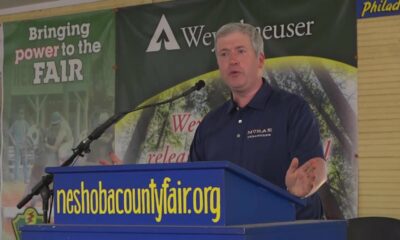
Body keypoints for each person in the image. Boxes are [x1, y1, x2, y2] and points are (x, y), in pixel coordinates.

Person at [188, 22, 327, 220]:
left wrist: (302, 189)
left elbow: (317, 168)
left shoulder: (293, 109)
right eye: (224, 54)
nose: (232, 60)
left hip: (289, 231)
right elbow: (193, 186)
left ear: (260, 60)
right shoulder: (210, 125)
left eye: (240, 51)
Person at [8, 108, 30, 182]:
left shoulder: (25, 123)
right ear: (18, 114)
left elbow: (29, 132)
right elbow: (9, 132)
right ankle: (16, 179)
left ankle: (26, 179)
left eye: (22, 113)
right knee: (17, 161)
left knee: (25, 162)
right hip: (17, 145)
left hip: (24, 145)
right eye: (20, 113)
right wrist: (13, 141)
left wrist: (26, 140)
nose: (21, 115)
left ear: (24, 114)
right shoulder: (15, 123)